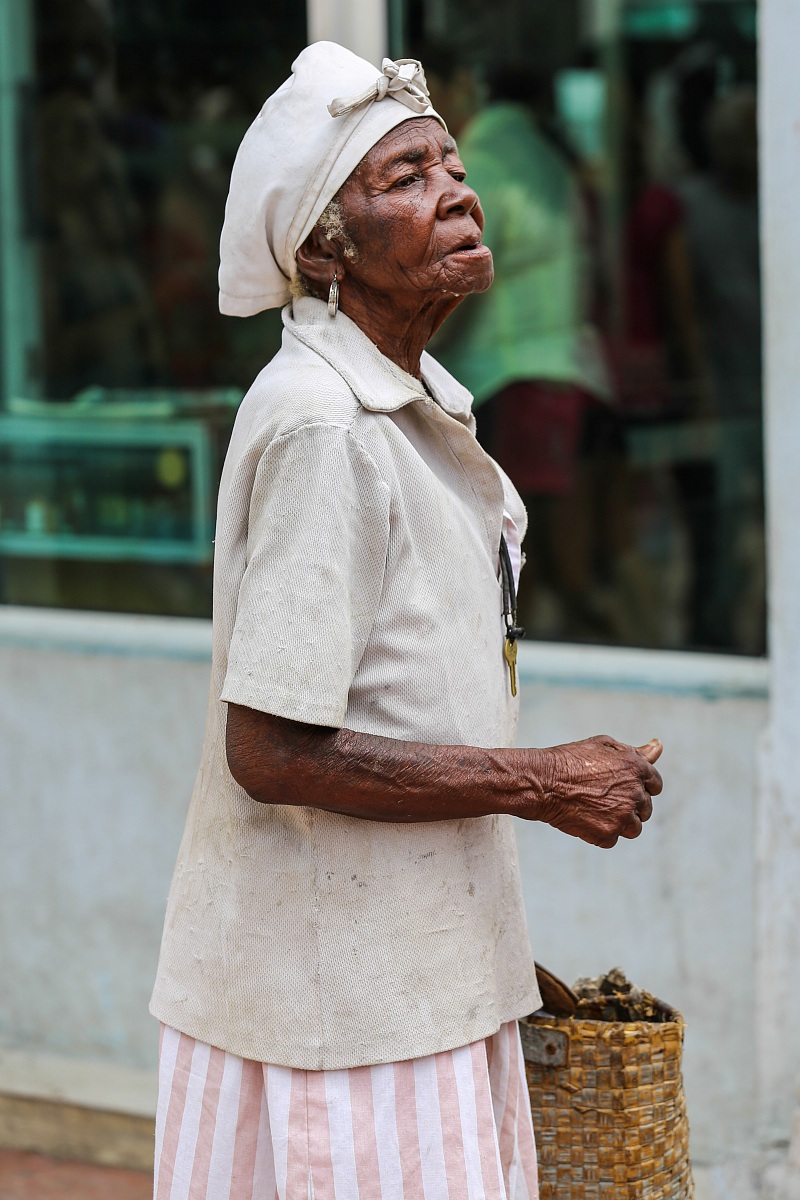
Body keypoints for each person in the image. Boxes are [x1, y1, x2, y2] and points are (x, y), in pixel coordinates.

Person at [150, 43, 663, 1200]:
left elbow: (398, 694)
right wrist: (537, 782)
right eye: (405, 177)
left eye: (450, 162)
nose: (457, 190)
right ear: (326, 250)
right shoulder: (324, 427)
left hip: (405, 990)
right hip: (341, 1019)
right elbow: (269, 750)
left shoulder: (404, 405)